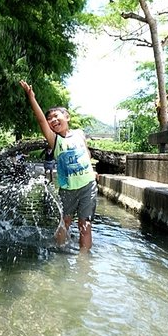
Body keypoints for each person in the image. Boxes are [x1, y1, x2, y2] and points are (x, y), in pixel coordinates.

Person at [19, 80, 98, 252]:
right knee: (65, 222)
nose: (53, 120)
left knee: (85, 225)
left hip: (88, 186)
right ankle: (59, 256)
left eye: (56, 116)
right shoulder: (55, 140)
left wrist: (92, 170)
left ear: (67, 117)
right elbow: (40, 120)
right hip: (67, 189)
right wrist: (31, 97)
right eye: (50, 119)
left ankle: (83, 263)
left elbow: (86, 153)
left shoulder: (79, 134)